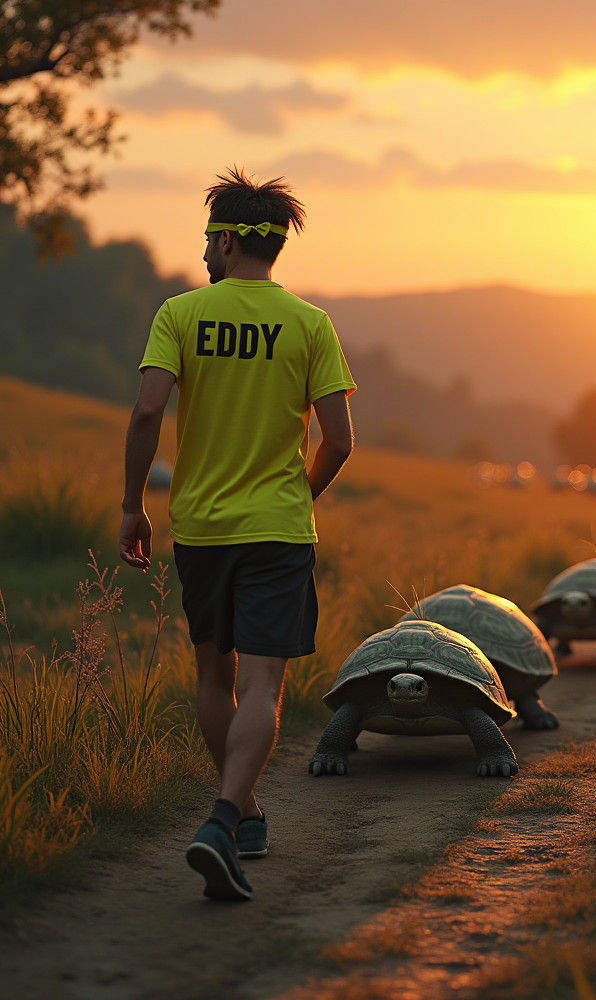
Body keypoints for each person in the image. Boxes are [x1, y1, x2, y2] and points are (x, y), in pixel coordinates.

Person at [119, 167, 356, 901]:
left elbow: (146, 413)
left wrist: (134, 507)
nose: (203, 254)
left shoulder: (180, 315)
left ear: (225, 240)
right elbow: (341, 441)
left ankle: (232, 817)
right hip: (277, 530)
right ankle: (233, 814)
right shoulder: (311, 324)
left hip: (202, 529)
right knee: (263, 685)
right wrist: (295, 500)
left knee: (214, 678)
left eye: (206, 241)